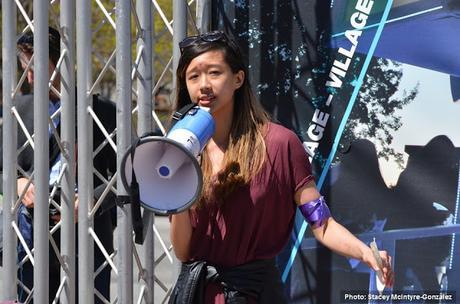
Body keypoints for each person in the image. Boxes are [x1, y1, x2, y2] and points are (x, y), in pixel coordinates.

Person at [168, 30, 394, 303]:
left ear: (238, 78)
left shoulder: (280, 144)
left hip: (254, 295)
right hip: (196, 294)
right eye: (193, 76)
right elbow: (183, 251)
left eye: (214, 73)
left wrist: (364, 253)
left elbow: (322, 224)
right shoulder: (181, 149)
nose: (203, 85)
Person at [15, 27, 116, 303]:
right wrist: (17, 183)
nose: (30, 77)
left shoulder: (104, 112)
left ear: (63, 62)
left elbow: (128, 173)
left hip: (89, 229)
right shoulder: (18, 110)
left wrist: (90, 200)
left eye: (37, 67)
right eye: (25, 68)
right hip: (31, 228)